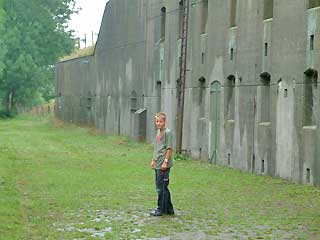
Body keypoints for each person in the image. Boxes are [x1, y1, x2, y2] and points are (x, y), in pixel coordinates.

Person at [150, 112, 174, 216]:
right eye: (157, 121)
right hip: (157, 163)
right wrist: (153, 159)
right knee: (162, 187)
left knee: (161, 188)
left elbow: (169, 148)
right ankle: (169, 209)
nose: (158, 123)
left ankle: (160, 209)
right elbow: (157, 148)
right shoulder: (158, 132)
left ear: (164, 121)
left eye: (160, 121)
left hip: (163, 165)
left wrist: (165, 162)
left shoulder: (167, 132)